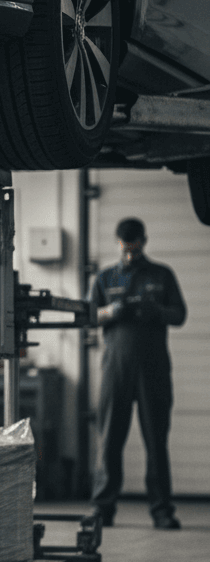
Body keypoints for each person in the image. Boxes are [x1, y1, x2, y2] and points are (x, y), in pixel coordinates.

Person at [90, 218, 187, 528]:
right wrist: (109, 313)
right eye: (126, 249)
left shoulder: (162, 275)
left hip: (153, 369)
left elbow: (180, 314)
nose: (130, 255)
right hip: (115, 370)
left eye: (135, 248)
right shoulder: (105, 277)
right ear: (119, 243)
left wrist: (156, 310)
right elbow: (88, 316)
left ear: (144, 241)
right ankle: (103, 509)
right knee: (109, 440)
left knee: (156, 440)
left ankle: (162, 511)